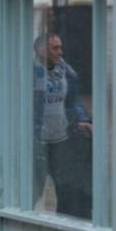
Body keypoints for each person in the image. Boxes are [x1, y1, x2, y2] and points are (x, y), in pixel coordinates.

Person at [33, 32, 93, 219]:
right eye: (55, 48)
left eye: (60, 47)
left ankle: (66, 224)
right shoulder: (30, 71)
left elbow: (73, 102)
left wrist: (84, 121)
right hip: (37, 139)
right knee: (33, 188)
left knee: (65, 186)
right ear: (41, 50)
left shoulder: (67, 71)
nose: (61, 52)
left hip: (62, 138)